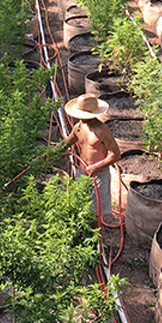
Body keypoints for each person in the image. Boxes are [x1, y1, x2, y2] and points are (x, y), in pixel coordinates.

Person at [61, 93, 122, 224]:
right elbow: (65, 144)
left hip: (99, 175)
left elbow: (115, 154)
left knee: (95, 213)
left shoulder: (102, 130)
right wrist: (46, 154)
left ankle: (96, 240)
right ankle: (83, 234)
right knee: (80, 205)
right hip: (83, 173)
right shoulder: (79, 127)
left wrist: (95, 167)